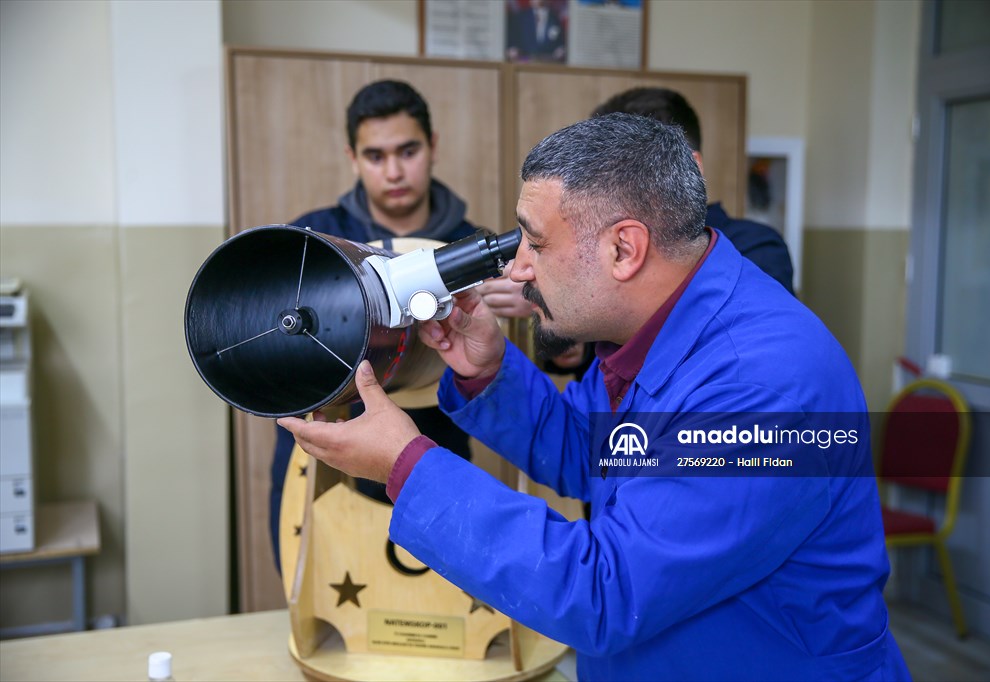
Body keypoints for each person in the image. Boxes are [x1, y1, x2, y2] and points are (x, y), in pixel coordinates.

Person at [278, 114, 910, 680]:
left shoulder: (760, 389)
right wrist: (488, 373)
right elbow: (590, 450)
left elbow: (607, 591)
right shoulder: (661, 331)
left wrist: (406, 465)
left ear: (624, 249)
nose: (517, 268)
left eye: (536, 242)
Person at [269, 80, 479, 569]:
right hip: (323, 454)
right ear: (352, 158)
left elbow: (518, 362)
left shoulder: (470, 247)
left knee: (443, 594)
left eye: (408, 151)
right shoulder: (310, 240)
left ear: (433, 147)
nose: (394, 171)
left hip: (436, 446)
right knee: (314, 584)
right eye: (375, 156)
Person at [593, 86, 796, 294]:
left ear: (691, 167)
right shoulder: (605, 247)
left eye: (630, 170)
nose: (608, 187)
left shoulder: (753, 249)